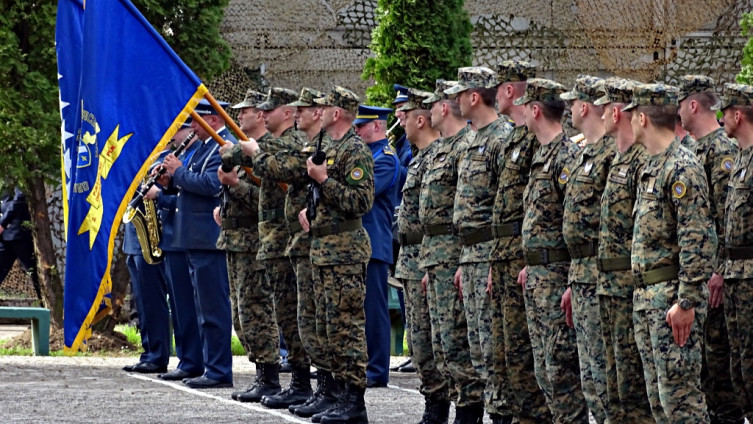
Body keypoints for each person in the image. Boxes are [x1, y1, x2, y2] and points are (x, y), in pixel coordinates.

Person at [626, 83, 716, 423]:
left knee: (682, 403)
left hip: (670, 301)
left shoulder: (682, 167)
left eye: (632, 115)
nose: (629, 121)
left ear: (643, 118)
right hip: (647, 298)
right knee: (660, 404)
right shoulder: (651, 166)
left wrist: (688, 301)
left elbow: (697, 237)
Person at [233, 87, 326, 411]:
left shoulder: (290, 144)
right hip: (275, 237)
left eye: (268, 110)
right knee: (286, 316)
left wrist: (253, 153)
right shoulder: (280, 144)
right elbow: (236, 157)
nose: (262, 114)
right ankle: (290, 381)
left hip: (288, 238)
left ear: (284, 112)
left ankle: (301, 382)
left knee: (295, 316)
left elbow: (279, 168)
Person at [515, 78, 588, 424]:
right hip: (538, 277)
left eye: (524, 106)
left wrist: (571, 280)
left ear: (535, 110)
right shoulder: (540, 154)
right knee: (544, 371)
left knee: (562, 373)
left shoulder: (567, 157)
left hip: (557, 279)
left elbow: (575, 226)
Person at [444, 66, 513, 424]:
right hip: (470, 254)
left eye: (459, 94)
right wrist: (462, 260)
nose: (455, 101)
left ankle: (502, 416)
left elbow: (507, 206)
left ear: (473, 97)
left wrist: (494, 263)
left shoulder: (502, 138)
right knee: (476, 347)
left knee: (493, 348)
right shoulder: (473, 140)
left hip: (490, 253)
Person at [301, 86, 374, 424]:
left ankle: (354, 401)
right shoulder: (327, 146)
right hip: (321, 249)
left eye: (327, 105)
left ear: (340, 112)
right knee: (327, 328)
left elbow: (361, 202)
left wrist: (325, 180)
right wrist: (308, 211)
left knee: (347, 327)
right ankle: (335, 393)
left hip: (344, 251)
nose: (322, 109)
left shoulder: (355, 150)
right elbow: (321, 196)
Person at [487, 60, 552, 424]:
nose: (494, 96)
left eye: (498, 89)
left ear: (510, 91)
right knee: (505, 350)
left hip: (522, 256)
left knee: (525, 351)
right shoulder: (511, 137)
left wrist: (527, 256)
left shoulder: (531, 138)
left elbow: (536, 205)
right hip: (504, 256)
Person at [677, 75, 743, 424]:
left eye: (679, 103)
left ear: (693, 105)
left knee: (719, 369)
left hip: (715, 280)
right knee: (703, 367)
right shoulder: (693, 149)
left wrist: (717, 271)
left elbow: (726, 218)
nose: (676, 112)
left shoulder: (722, 151)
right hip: (696, 277)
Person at [158, 99, 236, 389]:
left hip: (208, 239)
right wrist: (170, 180)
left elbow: (211, 185)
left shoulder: (222, 146)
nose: (192, 126)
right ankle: (195, 362)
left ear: (213, 120)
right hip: (193, 238)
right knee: (198, 309)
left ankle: (218, 369)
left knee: (213, 308)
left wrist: (178, 172)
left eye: (197, 120)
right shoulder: (201, 148)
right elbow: (189, 182)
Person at [593, 77, 653, 423]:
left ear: (618, 112)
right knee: (615, 389)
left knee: (635, 392)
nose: (600, 115)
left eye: (605, 109)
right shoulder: (618, 160)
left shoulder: (642, 162)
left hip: (630, 288)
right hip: (609, 286)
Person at [559, 75, 616, 424]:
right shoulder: (584, 154)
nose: (568, 109)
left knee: (606, 375)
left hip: (603, 275)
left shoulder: (611, 155)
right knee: (590, 376)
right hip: (581, 275)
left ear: (584, 107)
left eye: (572, 103)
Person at [397, 85, 451, 423]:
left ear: (421, 119)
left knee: (439, 340)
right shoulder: (419, 158)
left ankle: (443, 407)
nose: (400, 121)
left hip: (431, 256)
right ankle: (434, 404)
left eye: (406, 116)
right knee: (419, 343)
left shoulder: (439, 155)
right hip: (413, 257)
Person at [351, 105, 400, 388]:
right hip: (357, 244)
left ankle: (377, 369)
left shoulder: (385, 158)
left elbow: (363, 195)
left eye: (361, 126)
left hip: (374, 243)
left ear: (378, 127)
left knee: (374, 309)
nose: (356, 131)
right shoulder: (365, 156)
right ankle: (362, 364)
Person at [153, 125, 205, 382]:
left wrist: (161, 195)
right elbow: (180, 193)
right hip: (175, 237)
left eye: (179, 128)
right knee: (179, 305)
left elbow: (195, 198)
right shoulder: (185, 157)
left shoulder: (197, 155)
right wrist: (166, 185)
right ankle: (186, 358)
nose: (173, 134)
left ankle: (193, 360)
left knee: (188, 304)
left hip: (185, 236)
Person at [218, 88, 264, 370]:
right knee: (240, 313)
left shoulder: (266, 152)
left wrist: (235, 185)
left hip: (255, 241)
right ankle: (261, 370)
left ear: (260, 114)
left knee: (256, 311)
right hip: (234, 240)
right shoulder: (241, 150)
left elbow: (271, 201)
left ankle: (268, 372)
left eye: (245, 111)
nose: (238, 115)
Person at [716, 82, 753, 419]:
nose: (721, 119)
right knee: (740, 372)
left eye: (724, 112)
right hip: (737, 278)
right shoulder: (741, 157)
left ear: (738, 115)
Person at [121, 184, 171, 374]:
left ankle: (157, 355)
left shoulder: (154, 159)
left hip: (150, 239)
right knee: (142, 302)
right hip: (134, 237)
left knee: (152, 300)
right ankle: (149, 352)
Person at [0, 186, 41, 303]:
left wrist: (3, 223)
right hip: (4, 237)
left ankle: (49, 313)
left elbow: (20, 197)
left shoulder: (15, 173)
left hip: (20, 233)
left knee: (36, 276)